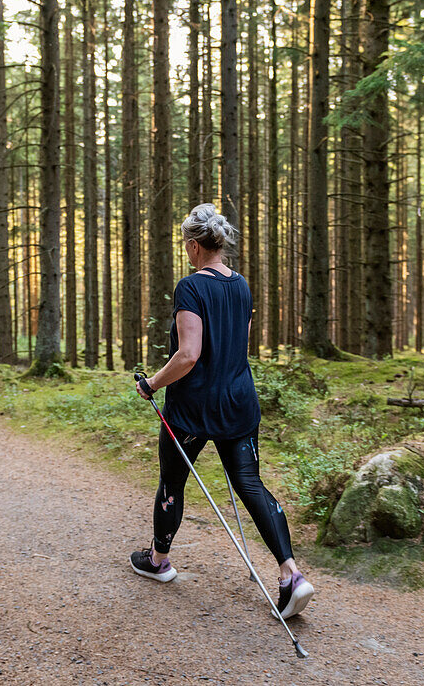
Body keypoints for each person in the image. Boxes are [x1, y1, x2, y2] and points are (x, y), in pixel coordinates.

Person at [129, 203, 314, 620]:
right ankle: (291, 575)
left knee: (172, 482)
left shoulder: (190, 288)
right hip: (239, 402)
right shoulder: (242, 285)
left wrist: (151, 384)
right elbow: (238, 345)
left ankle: (158, 561)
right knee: (251, 484)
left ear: (195, 246)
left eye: (185, 245)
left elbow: (189, 354)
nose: (186, 252)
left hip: (193, 409)